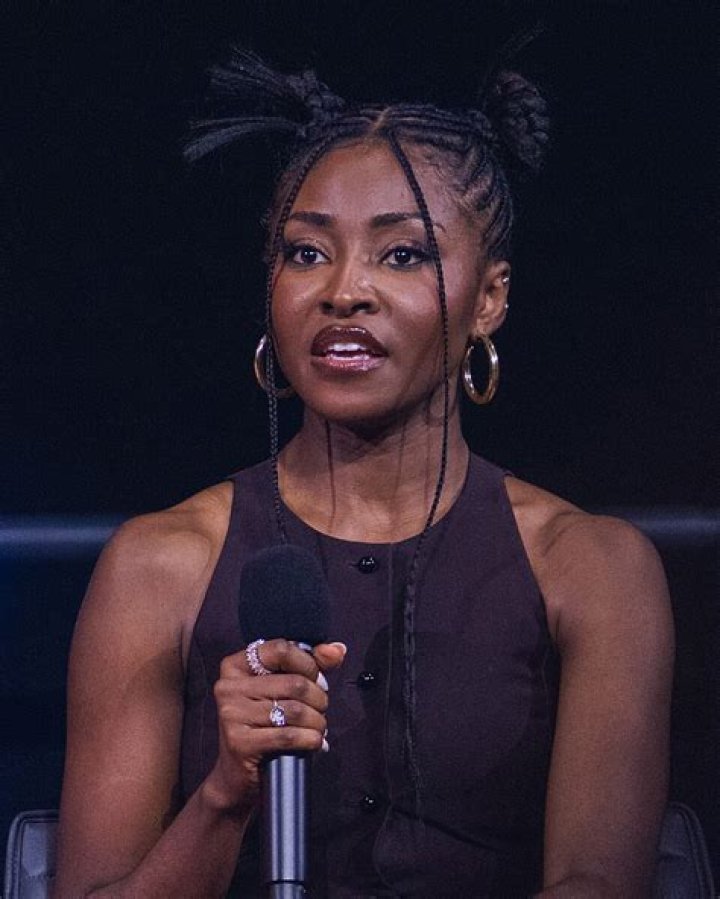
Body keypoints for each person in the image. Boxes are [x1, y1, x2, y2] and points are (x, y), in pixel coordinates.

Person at [53, 49, 673, 898]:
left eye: (403, 254)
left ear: (490, 297)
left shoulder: (593, 569)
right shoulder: (157, 565)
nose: (344, 291)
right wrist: (225, 794)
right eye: (307, 253)